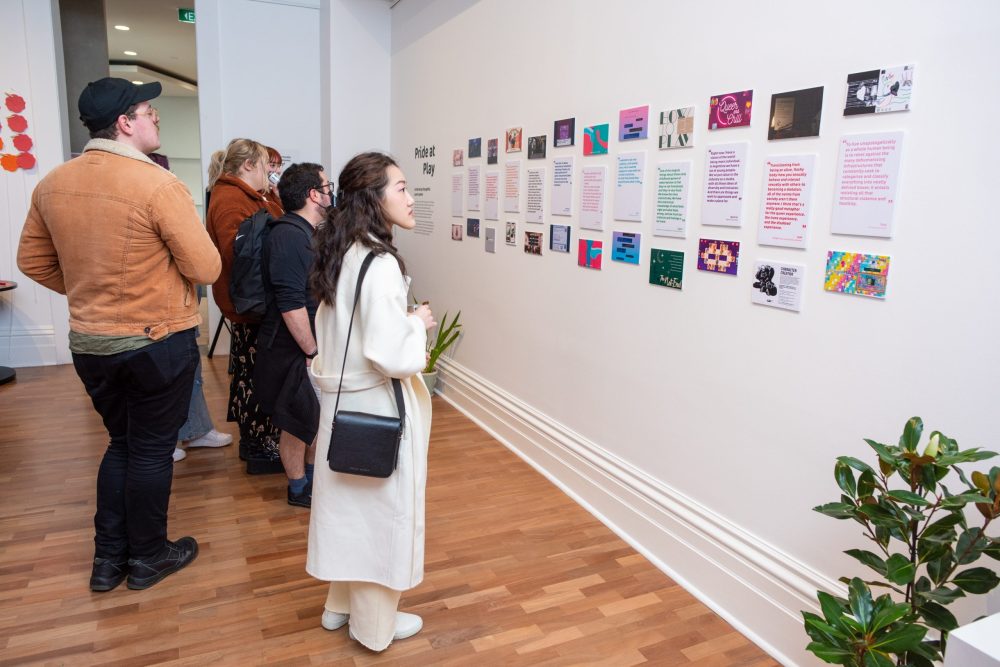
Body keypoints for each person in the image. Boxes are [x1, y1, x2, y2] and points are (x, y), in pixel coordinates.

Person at [16, 77, 220, 591]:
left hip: (91, 342)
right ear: (126, 123)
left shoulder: (52, 183)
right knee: (150, 450)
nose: (156, 119)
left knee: (122, 446)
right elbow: (205, 266)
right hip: (156, 341)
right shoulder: (156, 184)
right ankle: (149, 556)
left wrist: (92, 291)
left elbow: (31, 262)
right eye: (150, 111)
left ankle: (108, 561)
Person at [307, 152, 435, 651]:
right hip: (377, 408)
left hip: (342, 408)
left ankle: (338, 606)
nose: (410, 197)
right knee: (383, 516)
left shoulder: (343, 251)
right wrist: (416, 323)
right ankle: (375, 627)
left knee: (348, 511)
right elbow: (387, 352)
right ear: (374, 198)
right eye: (400, 187)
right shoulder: (379, 263)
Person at [206, 138, 285, 474]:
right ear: (248, 165)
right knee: (257, 377)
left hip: (253, 305)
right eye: (267, 165)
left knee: (251, 374)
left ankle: (255, 443)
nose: (271, 172)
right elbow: (244, 258)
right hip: (253, 306)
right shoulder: (231, 199)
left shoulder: (249, 196)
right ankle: (258, 446)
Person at [147, 152, 233, 463]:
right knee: (161, 377)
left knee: (189, 371)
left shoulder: (171, 201)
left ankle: (196, 430)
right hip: (154, 309)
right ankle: (164, 438)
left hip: (179, 303)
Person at [254, 163, 331, 507]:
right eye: (327, 187)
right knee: (297, 424)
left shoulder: (307, 232)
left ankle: (312, 482)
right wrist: (313, 352)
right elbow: (290, 305)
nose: (332, 193)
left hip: (306, 347)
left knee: (311, 420)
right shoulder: (287, 235)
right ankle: (298, 488)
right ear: (314, 194)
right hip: (291, 349)